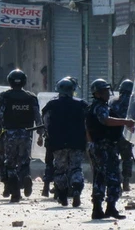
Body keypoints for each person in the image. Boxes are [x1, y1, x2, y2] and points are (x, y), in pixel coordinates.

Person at [87, 78, 135, 220]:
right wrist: (126, 122)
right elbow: (105, 120)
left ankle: (98, 209)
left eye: (108, 90)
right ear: (98, 94)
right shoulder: (100, 107)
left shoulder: (95, 107)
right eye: (104, 91)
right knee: (113, 177)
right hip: (104, 147)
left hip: (98, 146)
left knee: (99, 177)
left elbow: (88, 130)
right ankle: (110, 207)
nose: (108, 94)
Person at [0, 69, 44, 203]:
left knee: (10, 164)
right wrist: (40, 134)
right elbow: (37, 117)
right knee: (24, 161)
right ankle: (25, 178)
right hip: (26, 133)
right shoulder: (31, 97)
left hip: (9, 133)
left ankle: (15, 193)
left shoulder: (5, 96)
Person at [42, 78, 88, 207]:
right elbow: (87, 123)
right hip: (77, 142)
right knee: (76, 168)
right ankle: (77, 189)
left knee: (60, 169)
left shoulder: (51, 105)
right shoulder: (82, 104)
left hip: (58, 143)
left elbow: (46, 123)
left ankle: (62, 196)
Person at [109, 79, 134, 192]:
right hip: (127, 135)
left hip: (113, 135)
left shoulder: (113, 101)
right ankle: (126, 181)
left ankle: (115, 181)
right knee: (127, 159)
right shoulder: (134, 103)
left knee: (113, 159)